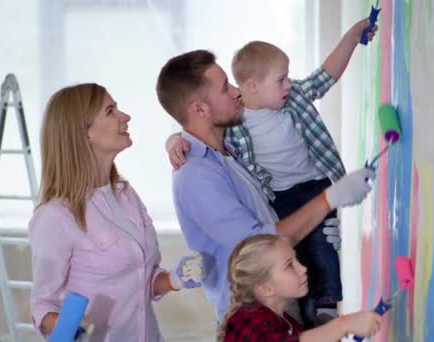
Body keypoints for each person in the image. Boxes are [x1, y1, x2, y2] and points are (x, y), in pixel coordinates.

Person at [166, 19, 377, 325]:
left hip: (278, 295)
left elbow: (325, 76)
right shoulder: (198, 172)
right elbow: (258, 240)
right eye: (226, 87)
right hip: (255, 310)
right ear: (200, 109)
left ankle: (326, 305)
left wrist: (353, 37)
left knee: (317, 259)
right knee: (305, 262)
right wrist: (328, 201)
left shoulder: (228, 149)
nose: (236, 92)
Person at [29, 83, 203, 341]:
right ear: (83, 133)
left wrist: (173, 280)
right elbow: (43, 305)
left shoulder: (126, 195)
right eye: (110, 111)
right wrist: (72, 331)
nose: (125, 117)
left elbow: (140, 277)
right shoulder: (56, 217)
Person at [218, 234, 381, 341]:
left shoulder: (284, 321)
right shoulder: (247, 323)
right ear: (265, 288)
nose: (302, 268)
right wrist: (342, 325)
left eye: (296, 260)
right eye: (290, 265)